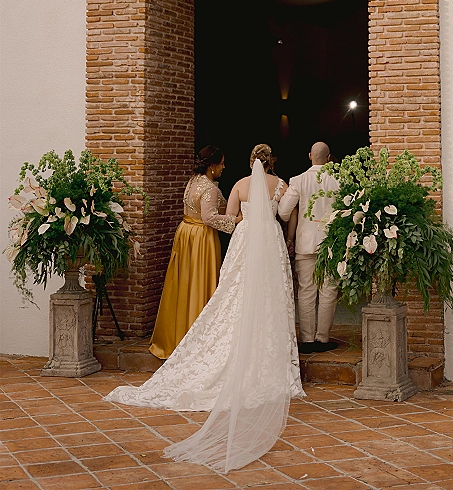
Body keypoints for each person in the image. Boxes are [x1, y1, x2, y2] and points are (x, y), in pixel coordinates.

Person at [105, 144, 304, 474]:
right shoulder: (280, 184)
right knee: (272, 297)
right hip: (269, 239)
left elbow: (231, 215)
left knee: (234, 293)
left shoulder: (239, 185)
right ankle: (268, 355)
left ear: (250, 161)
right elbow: (283, 214)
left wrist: (243, 220)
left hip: (243, 238)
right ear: (272, 162)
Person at [149, 145, 239, 360]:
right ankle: (198, 337)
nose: (224, 167)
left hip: (186, 233)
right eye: (222, 163)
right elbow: (209, 218)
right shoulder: (209, 188)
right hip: (201, 238)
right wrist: (236, 220)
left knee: (185, 283)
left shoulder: (192, 182)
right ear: (212, 165)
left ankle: (180, 333)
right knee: (200, 282)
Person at [278, 141, 340, 354]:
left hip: (305, 242)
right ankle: (322, 338)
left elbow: (284, 212)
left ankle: (307, 340)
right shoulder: (339, 179)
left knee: (306, 291)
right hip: (331, 242)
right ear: (329, 158)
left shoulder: (298, 180)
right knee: (329, 290)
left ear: (309, 156)